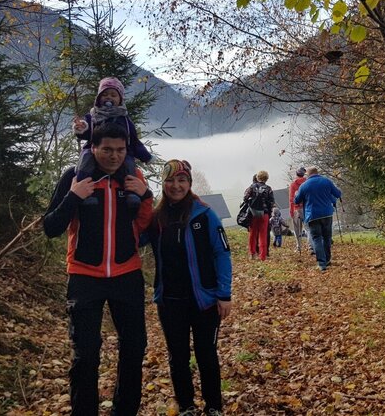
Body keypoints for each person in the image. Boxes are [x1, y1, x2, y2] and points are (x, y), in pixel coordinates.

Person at [43, 122, 154, 416]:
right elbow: (51, 227)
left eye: (120, 150)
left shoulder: (133, 177)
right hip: (84, 276)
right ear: (93, 147)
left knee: (134, 349)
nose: (114, 156)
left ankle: (124, 411)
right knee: (86, 354)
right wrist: (73, 196)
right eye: (107, 149)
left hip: (127, 274)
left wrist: (145, 196)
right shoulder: (75, 177)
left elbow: (148, 227)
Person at [141, 160, 232, 416]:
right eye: (170, 180)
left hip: (204, 300)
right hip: (169, 300)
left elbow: (222, 253)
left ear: (189, 183)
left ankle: (214, 406)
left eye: (182, 180)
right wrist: (136, 202)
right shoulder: (156, 218)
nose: (176, 186)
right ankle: (186, 406)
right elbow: (135, 240)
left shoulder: (204, 214)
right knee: (177, 356)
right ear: (163, 183)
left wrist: (224, 294)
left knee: (206, 354)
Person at [73, 77, 153, 209]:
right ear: (98, 98)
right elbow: (85, 132)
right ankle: (84, 192)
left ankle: (131, 193)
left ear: (120, 99)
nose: (108, 97)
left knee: (129, 165)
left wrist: (146, 157)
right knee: (85, 162)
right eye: (105, 94)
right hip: (94, 150)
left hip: (123, 150)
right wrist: (81, 128)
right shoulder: (93, 116)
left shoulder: (125, 120)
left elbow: (134, 141)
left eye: (113, 95)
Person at [293, 166, 342, 271]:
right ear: (317, 172)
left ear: (308, 174)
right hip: (327, 214)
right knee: (327, 237)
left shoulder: (304, 185)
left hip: (312, 215)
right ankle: (328, 259)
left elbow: (296, 201)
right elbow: (337, 194)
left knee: (317, 239)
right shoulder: (326, 181)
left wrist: (296, 194)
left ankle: (321, 263)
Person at [242, 171, 274, 260]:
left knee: (252, 234)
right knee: (263, 235)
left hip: (253, 214)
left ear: (257, 177)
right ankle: (263, 256)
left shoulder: (252, 187)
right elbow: (271, 202)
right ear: (266, 179)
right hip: (264, 214)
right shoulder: (268, 188)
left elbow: (245, 198)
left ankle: (252, 254)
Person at [288, 167, 308, 253]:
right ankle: (312, 246)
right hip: (307, 208)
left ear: (297, 174)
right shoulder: (307, 182)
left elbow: (291, 199)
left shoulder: (293, 184)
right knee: (309, 228)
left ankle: (299, 247)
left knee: (297, 230)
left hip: (297, 209)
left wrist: (291, 211)